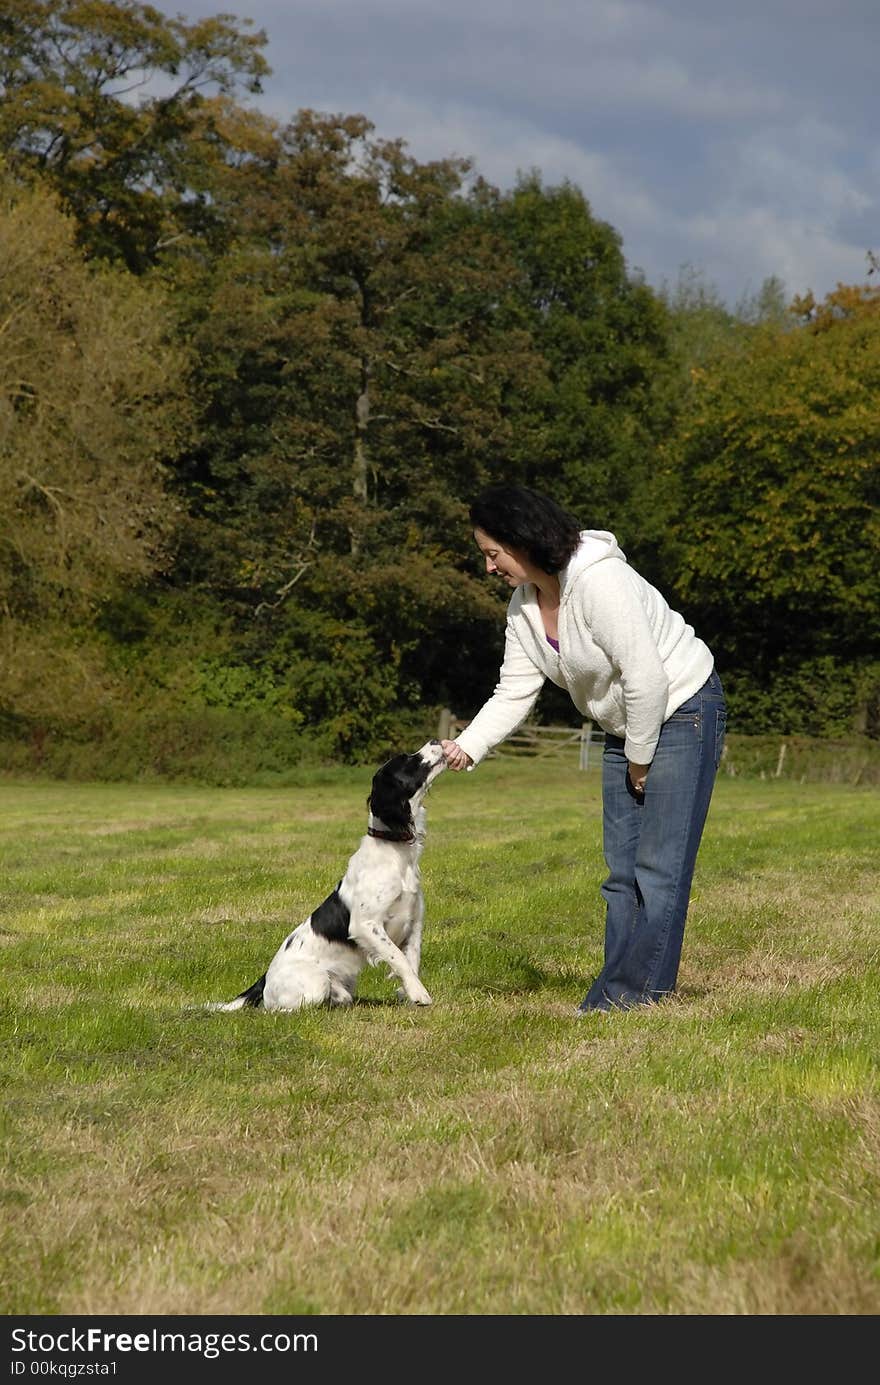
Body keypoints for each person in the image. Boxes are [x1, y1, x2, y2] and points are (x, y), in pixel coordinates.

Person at [441, 483, 726, 1013]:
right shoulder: (523, 607)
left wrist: (640, 758)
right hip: (626, 725)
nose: (489, 567)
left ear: (522, 542)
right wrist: (466, 746)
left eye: (492, 554)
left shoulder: (600, 580)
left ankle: (628, 996)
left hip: (682, 709)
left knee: (660, 869)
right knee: (622, 874)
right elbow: (513, 689)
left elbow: (646, 677)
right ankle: (630, 989)